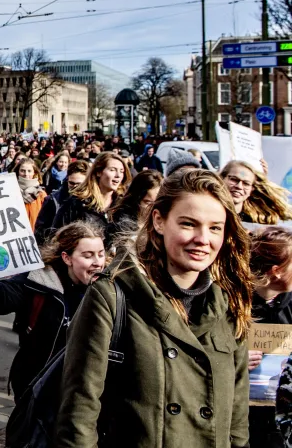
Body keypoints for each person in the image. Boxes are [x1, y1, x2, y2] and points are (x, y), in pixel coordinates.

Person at [54, 170, 253, 448]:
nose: (203, 239)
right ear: (159, 221)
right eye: (188, 224)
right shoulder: (112, 296)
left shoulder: (230, 304)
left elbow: (237, 417)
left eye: (215, 227)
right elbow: (79, 412)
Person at [0, 222, 106, 402]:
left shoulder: (109, 291)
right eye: (88, 256)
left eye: (101, 254)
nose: (97, 263)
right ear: (67, 258)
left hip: (82, 393)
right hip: (36, 388)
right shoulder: (38, 281)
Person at [246, 227, 292, 448]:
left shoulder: (290, 304)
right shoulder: (232, 302)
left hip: (280, 414)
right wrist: (235, 360)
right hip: (240, 412)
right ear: (276, 271)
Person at [52, 152, 131, 234]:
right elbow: (57, 237)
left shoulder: (123, 205)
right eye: (112, 170)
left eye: (122, 171)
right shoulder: (76, 203)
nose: (118, 175)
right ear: (98, 172)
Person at [35, 160, 90, 245]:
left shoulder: (93, 202)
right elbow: (41, 230)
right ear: (67, 180)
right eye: (71, 183)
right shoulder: (53, 200)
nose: (75, 187)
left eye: (79, 184)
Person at [220, 160, 292, 225]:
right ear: (222, 178)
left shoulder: (257, 221)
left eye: (246, 183)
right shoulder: (210, 210)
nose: (239, 186)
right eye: (234, 179)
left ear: (252, 189)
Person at [109, 170, 163, 235]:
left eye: (157, 202)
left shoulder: (163, 227)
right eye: (148, 202)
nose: (152, 207)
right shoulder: (121, 227)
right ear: (136, 199)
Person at [12, 158, 47, 231]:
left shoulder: (41, 194)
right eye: (22, 171)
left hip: (35, 235)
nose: (26, 174)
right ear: (17, 172)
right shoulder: (10, 192)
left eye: (29, 171)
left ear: (34, 172)